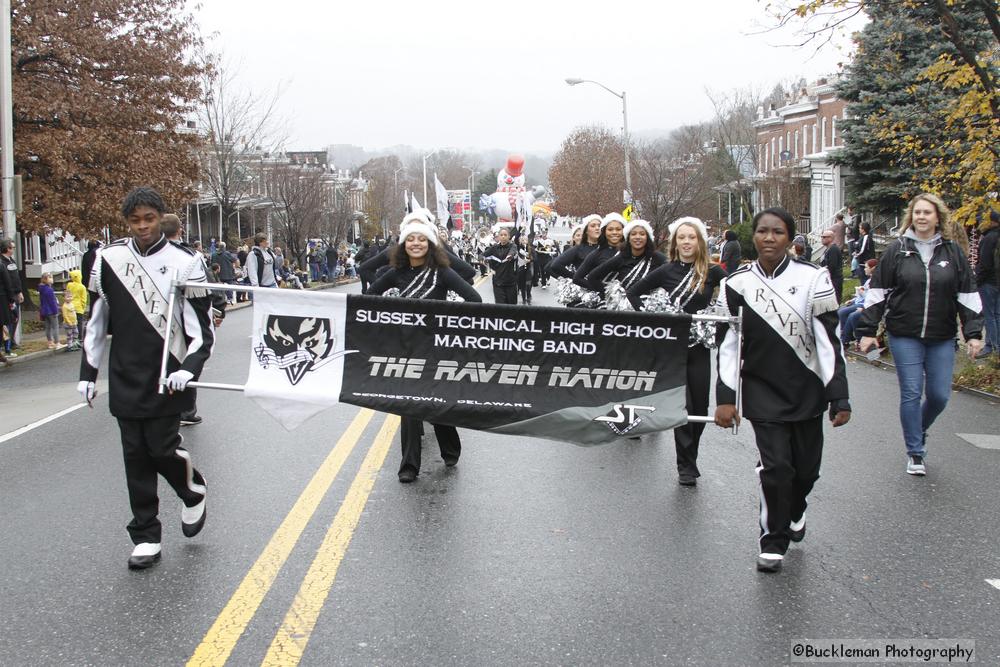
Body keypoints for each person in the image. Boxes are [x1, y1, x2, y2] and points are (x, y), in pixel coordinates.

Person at [79, 187, 214, 569]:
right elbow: (95, 322)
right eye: (135, 220)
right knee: (135, 456)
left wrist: (189, 367)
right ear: (127, 222)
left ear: (160, 217)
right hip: (125, 373)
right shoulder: (108, 259)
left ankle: (192, 492)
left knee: (161, 448)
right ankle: (146, 534)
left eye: (149, 219)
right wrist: (88, 373)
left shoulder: (186, 262)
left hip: (168, 374)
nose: (142, 227)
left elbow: (202, 330)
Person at [714, 207, 851, 573]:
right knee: (775, 468)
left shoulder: (815, 278)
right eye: (762, 231)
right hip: (761, 389)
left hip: (806, 389)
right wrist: (725, 399)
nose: (769, 238)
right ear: (753, 237)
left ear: (790, 238)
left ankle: (795, 510)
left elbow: (829, 341)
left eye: (777, 232)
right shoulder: (735, 284)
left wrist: (839, 394)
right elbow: (728, 346)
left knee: (806, 471)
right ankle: (772, 541)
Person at [856, 193, 984, 476]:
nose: (922, 217)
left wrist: (973, 334)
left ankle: (919, 428)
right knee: (911, 393)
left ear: (938, 217)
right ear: (910, 217)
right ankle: (915, 451)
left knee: (939, 396)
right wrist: (867, 331)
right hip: (905, 334)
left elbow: (968, 295)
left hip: (941, 335)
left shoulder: (952, 253)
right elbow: (877, 293)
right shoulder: (897, 250)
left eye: (927, 212)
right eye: (917, 212)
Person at [368, 214, 482, 483]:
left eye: (421, 239)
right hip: (405, 348)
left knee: (435, 401)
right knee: (409, 406)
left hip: (436, 349)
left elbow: (474, 299)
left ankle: (450, 448)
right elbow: (370, 297)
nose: (416, 243)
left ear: (430, 244)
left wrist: (447, 321)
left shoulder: (443, 272)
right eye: (410, 239)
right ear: (403, 244)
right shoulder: (395, 273)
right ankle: (409, 466)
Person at [626, 217, 726, 486]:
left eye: (691, 237)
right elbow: (633, 292)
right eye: (681, 237)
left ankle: (691, 455)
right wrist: (655, 318)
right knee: (685, 406)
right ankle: (686, 466)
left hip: (700, 348)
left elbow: (734, 297)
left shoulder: (713, 272)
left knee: (702, 407)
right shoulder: (666, 271)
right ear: (675, 242)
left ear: (700, 241)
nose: (686, 242)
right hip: (674, 349)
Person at [585, 218, 666, 296]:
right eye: (633, 234)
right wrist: (610, 296)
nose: (637, 237)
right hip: (624, 308)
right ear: (628, 238)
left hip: (649, 307)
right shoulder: (622, 257)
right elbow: (592, 277)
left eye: (642, 234)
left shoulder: (658, 258)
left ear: (647, 238)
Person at [571, 213, 627, 291]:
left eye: (618, 229)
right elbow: (577, 279)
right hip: (607, 301)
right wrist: (603, 291)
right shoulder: (597, 253)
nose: (614, 232)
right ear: (604, 232)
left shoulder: (631, 252)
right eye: (610, 229)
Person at [974, 210, 999, 359]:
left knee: (989, 315)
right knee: (997, 315)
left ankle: (992, 346)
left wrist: (977, 281)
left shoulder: (989, 238)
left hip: (988, 282)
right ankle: (996, 345)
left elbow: (984, 264)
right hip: (997, 282)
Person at [837, 258, 877, 349]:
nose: (864, 269)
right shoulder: (868, 281)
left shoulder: (876, 282)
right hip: (861, 302)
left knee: (851, 315)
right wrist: (853, 300)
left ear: (872, 269)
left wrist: (862, 294)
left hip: (867, 305)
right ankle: (847, 335)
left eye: (866, 267)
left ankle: (845, 340)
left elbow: (872, 298)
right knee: (841, 310)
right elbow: (861, 295)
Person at [548, 214, 601, 281]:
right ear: (586, 231)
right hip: (587, 289)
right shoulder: (579, 248)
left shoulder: (607, 247)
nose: (597, 228)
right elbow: (555, 265)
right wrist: (576, 277)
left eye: (599, 225)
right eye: (593, 226)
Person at [483, 226, 520, 305]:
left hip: (511, 283)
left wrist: (510, 256)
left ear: (509, 236)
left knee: (512, 307)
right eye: (501, 235)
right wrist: (482, 259)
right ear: (499, 236)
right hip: (498, 283)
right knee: (500, 307)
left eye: (505, 235)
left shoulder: (513, 246)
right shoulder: (494, 248)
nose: (503, 237)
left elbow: (513, 251)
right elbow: (483, 255)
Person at [1, 238, 23, 356]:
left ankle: (12, 341)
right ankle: (7, 344)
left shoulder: (11, 261)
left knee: (15, 318)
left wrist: (20, 292)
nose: (13, 249)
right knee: (8, 320)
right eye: (12, 247)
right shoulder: (2, 263)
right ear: (7, 248)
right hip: (8, 295)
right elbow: (7, 281)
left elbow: (16, 278)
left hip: (16, 293)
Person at [819, 228, 844, 304]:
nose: (822, 239)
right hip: (829, 279)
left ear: (830, 238)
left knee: (834, 301)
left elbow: (832, 266)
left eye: (824, 237)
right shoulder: (827, 249)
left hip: (834, 279)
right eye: (821, 237)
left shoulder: (833, 249)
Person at [38, 272, 61, 349]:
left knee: (48, 327)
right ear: (46, 279)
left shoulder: (42, 289)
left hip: (44, 310)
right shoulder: (49, 290)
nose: (52, 279)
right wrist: (56, 311)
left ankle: (50, 342)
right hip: (51, 311)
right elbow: (52, 302)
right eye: (50, 277)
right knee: (55, 327)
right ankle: (57, 342)